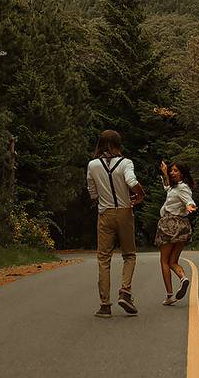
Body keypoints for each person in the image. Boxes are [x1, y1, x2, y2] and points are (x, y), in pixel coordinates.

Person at [86, 129, 145, 318]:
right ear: (118, 144)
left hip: (105, 214)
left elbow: (93, 194)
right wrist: (140, 194)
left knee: (104, 259)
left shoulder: (92, 165)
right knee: (129, 255)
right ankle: (125, 292)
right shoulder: (126, 163)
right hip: (125, 212)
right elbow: (131, 180)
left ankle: (105, 305)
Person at [155, 160, 196, 306]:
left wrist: (190, 206)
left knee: (164, 261)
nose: (173, 173)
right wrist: (165, 173)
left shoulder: (182, 188)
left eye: (176, 171)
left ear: (183, 173)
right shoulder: (175, 187)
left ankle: (169, 295)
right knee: (173, 261)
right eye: (172, 170)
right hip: (182, 226)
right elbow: (168, 188)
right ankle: (183, 278)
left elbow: (189, 200)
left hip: (170, 224)